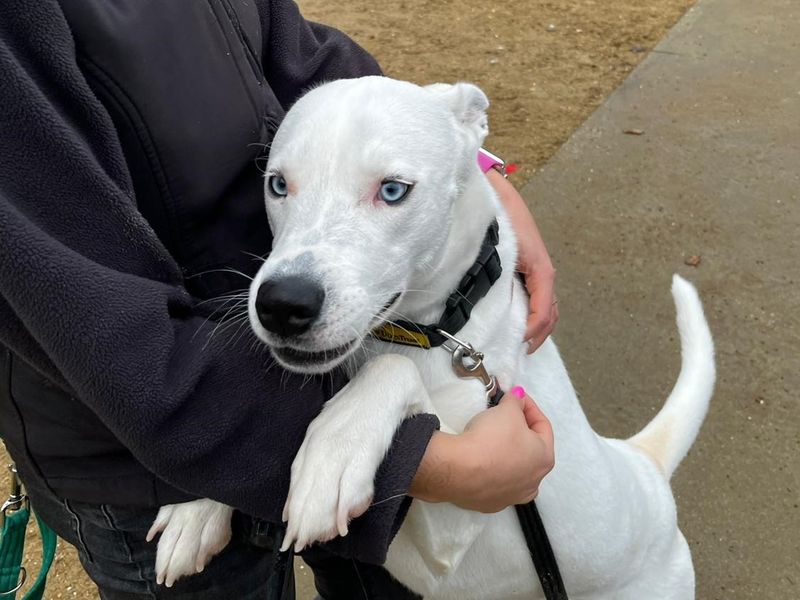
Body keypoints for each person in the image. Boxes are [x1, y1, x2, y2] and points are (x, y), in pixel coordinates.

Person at [0, 1, 557, 598]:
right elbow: (93, 318)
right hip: (147, 450)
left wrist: (466, 158)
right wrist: (437, 467)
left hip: (292, 380)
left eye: (393, 191)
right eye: (279, 185)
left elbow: (296, 55)